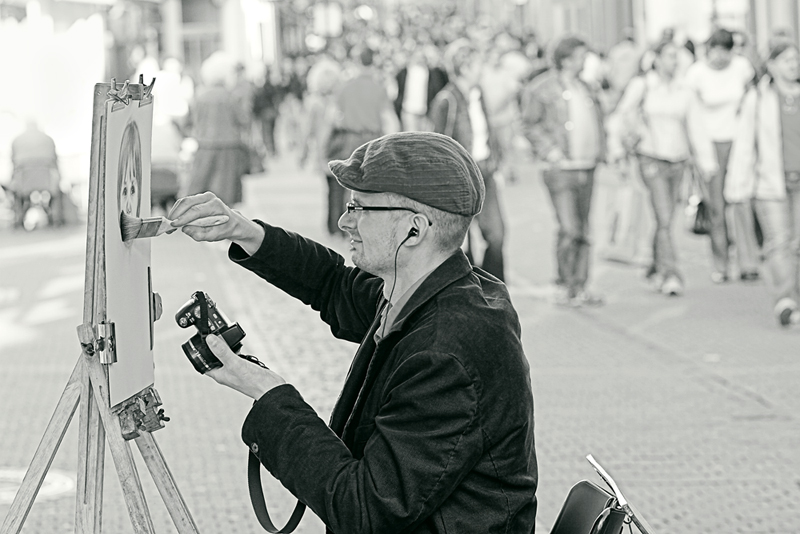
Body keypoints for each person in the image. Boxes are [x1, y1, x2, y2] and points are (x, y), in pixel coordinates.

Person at [167, 131, 538, 532]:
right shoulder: (431, 285)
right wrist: (244, 231)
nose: (345, 221)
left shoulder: (447, 351)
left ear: (414, 229)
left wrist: (268, 392)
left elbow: (364, 510)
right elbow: (333, 284)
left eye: (360, 208)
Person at [608, 40, 718, 296]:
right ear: (655, 58)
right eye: (669, 56)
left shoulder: (685, 90)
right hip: (651, 159)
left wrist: (707, 162)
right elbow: (620, 117)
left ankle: (656, 267)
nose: (674, 61)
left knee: (664, 219)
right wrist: (616, 150)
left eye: (676, 56)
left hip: (678, 162)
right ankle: (671, 274)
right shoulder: (643, 86)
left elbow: (696, 126)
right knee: (665, 217)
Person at [520, 36, 606, 306]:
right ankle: (564, 283)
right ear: (567, 59)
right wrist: (550, 151)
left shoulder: (587, 86)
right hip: (561, 168)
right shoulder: (541, 88)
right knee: (569, 227)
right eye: (581, 56)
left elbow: (599, 120)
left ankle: (580, 285)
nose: (585, 61)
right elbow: (529, 124)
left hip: (587, 165)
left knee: (583, 228)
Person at [726, 42, 800, 327]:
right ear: (771, 66)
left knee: (797, 245)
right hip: (771, 184)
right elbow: (744, 144)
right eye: (786, 60)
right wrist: (737, 185)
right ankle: (786, 299)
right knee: (779, 243)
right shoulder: (759, 98)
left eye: (796, 60)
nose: (793, 65)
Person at [684, 28, 760, 283]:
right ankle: (721, 263)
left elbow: (753, 99)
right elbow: (691, 114)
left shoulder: (741, 67)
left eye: (725, 51)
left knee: (741, 203)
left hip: (738, 142)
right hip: (709, 144)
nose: (720, 57)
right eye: (715, 51)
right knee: (716, 208)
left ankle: (748, 261)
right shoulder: (696, 74)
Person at [430, 39, 507, 282]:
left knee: (497, 234)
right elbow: (438, 145)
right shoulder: (446, 100)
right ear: (463, 66)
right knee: (463, 242)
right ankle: (468, 290)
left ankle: (493, 287)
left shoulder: (479, 95)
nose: (481, 69)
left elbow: (487, 131)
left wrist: (495, 160)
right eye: (477, 64)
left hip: (485, 172)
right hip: (461, 177)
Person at [324, 47, 400, 237]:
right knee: (371, 187)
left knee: (348, 185)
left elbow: (333, 118)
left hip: (350, 139)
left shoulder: (345, 87)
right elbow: (389, 119)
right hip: (373, 140)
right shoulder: (379, 87)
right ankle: (369, 227)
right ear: (373, 62)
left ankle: (346, 228)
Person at [185, 51, 249, 207]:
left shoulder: (200, 96)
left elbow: (190, 121)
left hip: (205, 145)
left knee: (201, 188)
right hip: (229, 146)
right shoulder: (231, 96)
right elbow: (244, 120)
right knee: (226, 193)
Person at [10, 119, 65, 228]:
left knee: (16, 193)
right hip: (46, 180)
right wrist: (60, 177)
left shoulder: (17, 140)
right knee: (57, 193)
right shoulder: (48, 139)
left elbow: (13, 162)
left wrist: (12, 179)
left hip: (24, 180)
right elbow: (55, 161)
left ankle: (19, 220)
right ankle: (55, 218)